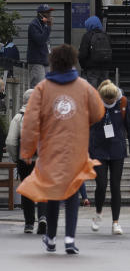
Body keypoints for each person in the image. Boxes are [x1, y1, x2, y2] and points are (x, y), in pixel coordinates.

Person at [17, 45, 104, 254]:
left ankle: (51, 237)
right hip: (76, 148)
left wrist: (27, 151)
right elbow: (98, 111)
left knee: (53, 192)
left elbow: (29, 122)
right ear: (73, 62)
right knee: (72, 191)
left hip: (50, 149)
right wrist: (83, 121)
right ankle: (70, 238)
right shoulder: (83, 87)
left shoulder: (42, 88)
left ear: (53, 62)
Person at [88, 79, 130, 236]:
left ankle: (115, 222)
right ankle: (98, 213)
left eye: (112, 100)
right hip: (98, 149)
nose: (110, 103)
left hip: (117, 149)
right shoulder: (94, 103)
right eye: (106, 101)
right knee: (101, 184)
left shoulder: (122, 103)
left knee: (116, 186)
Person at [6, 88, 47, 234]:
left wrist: (16, 157)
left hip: (24, 159)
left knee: (27, 189)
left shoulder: (18, 117)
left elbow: (10, 141)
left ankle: (29, 223)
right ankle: (43, 217)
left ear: (24, 101)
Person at [77, 16, 111, 86]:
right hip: (104, 69)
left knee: (92, 91)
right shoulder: (106, 36)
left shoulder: (87, 36)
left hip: (91, 69)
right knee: (104, 91)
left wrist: (84, 66)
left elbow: (82, 54)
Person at [27, 4, 52, 87]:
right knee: (39, 86)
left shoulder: (44, 24)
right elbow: (40, 40)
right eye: (47, 13)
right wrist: (48, 27)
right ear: (40, 14)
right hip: (36, 61)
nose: (49, 15)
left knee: (48, 86)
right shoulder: (34, 25)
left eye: (49, 12)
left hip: (45, 60)